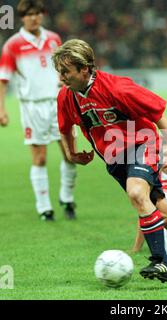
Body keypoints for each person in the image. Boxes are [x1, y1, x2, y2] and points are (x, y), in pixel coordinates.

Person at [51, 38, 167, 282]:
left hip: (143, 144)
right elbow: (64, 128)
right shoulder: (66, 97)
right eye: (59, 71)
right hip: (115, 160)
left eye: (65, 71)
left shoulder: (118, 88)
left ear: (85, 69)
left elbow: (159, 115)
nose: (61, 77)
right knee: (165, 215)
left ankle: (160, 263)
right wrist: (72, 153)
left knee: (136, 193)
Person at [0, 0, 77, 221]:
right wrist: (2, 108)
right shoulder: (13, 45)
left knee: (70, 154)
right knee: (40, 158)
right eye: (29, 14)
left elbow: (65, 69)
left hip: (59, 103)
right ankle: (45, 208)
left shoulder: (54, 39)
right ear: (22, 17)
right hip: (32, 107)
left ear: (42, 15)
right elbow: (3, 79)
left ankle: (67, 198)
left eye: (37, 13)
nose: (34, 17)